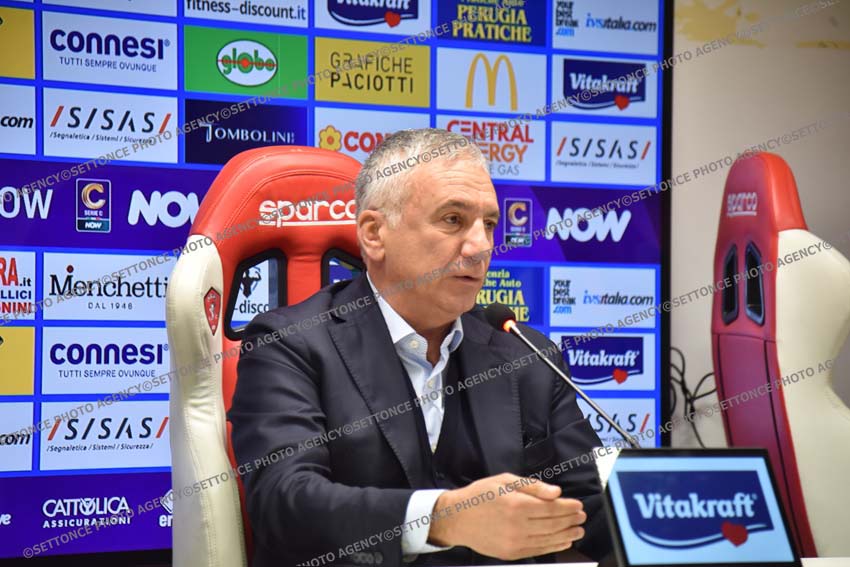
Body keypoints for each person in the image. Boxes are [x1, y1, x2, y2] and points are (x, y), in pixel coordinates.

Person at [229, 129, 612, 567]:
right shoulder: (290, 344)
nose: (481, 246)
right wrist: (444, 518)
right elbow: (285, 505)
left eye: (488, 224)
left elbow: (590, 504)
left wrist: (662, 513)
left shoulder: (526, 356)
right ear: (374, 234)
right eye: (453, 220)